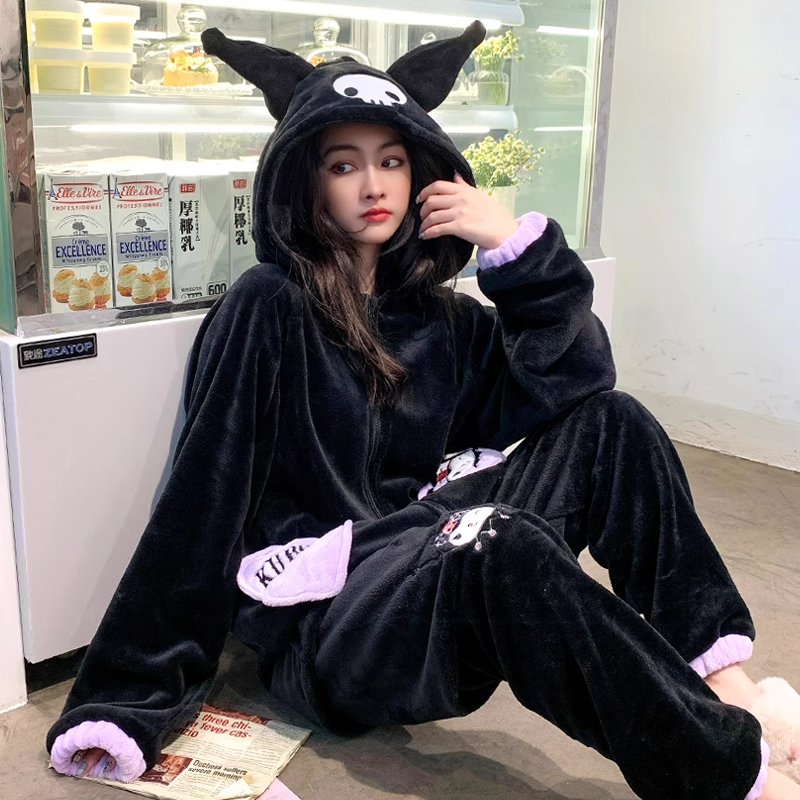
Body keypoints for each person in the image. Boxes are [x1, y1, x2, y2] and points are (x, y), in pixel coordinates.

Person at [45, 22, 800, 800]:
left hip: (420, 565)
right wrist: (126, 698)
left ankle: (729, 685)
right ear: (306, 181)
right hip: (327, 628)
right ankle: (731, 779)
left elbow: (578, 380)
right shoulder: (269, 307)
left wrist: (513, 246)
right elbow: (202, 497)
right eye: (344, 165)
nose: (373, 186)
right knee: (498, 542)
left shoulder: (441, 319)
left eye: (392, 161)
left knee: (616, 423)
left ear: (422, 174)